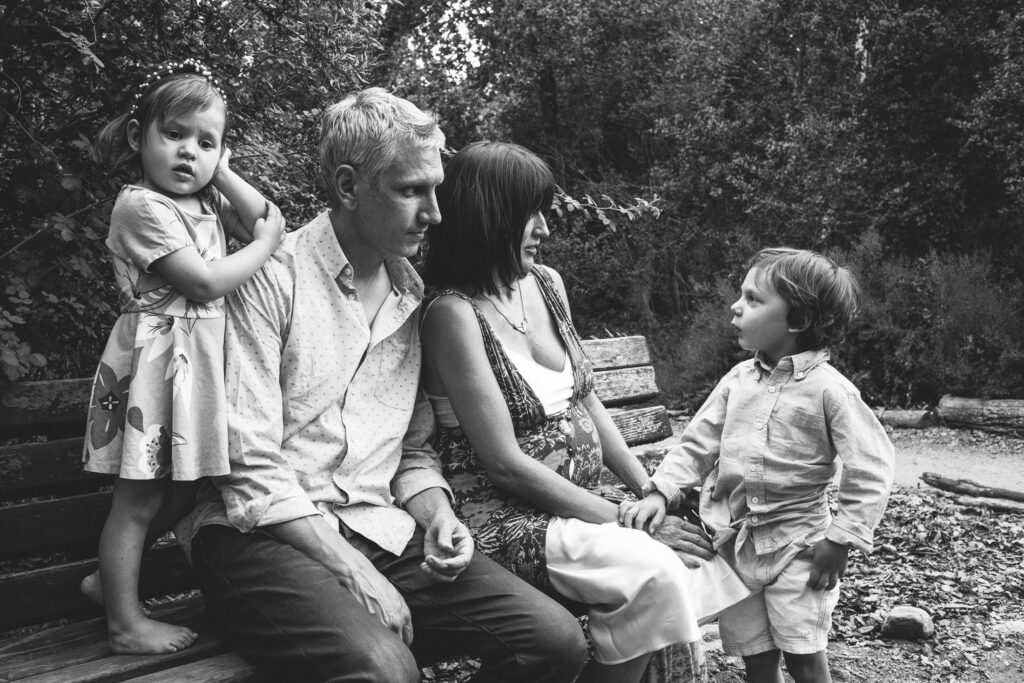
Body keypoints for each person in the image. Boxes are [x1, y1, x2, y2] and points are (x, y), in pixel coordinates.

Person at [172, 89, 589, 682]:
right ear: (348, 187)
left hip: (378, 527)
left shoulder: (414, 299)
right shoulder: (270, 281)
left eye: (436, 189)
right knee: (386, 671)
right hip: (257, 538)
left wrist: (441, 516)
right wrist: (348, 567)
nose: (435, 213)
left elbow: (412, 451)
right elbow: (247, 466)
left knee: (552, 641)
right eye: (411, 190)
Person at [419, 141, 750, 683]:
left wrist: (650, 495)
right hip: (506, 517)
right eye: (531, 213)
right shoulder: (452, 315)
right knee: (654, 572)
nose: (545, 229)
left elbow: (586, 398)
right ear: (488, 216)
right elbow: (503, 463)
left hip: (583, 508)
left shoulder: (546, 286)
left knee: (707, 555)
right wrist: (626, 522)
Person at [82, 58, 285, 655]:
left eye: (206, 142)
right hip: (155, 367)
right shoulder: (140, 207)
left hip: (193, 370)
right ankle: (124, 623)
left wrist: (221, 174)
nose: (187, 153)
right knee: (139, 500)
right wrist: (267, 247)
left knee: (184, 492)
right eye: (173, 135)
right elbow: (203, 282)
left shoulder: (205, 203)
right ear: (137, 135)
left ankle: (107, 584)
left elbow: (264, 217)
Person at [621, 247, 896, 683]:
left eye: (753, 299)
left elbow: (872, 467)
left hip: (800, 547)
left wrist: (842, 537)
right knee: (756, 656)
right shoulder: (736, 381)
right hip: (736, 546)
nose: (736, 306)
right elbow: (697, 444)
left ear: (798, 321)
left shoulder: (829, 392)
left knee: (805, 657)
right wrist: (661, 490)